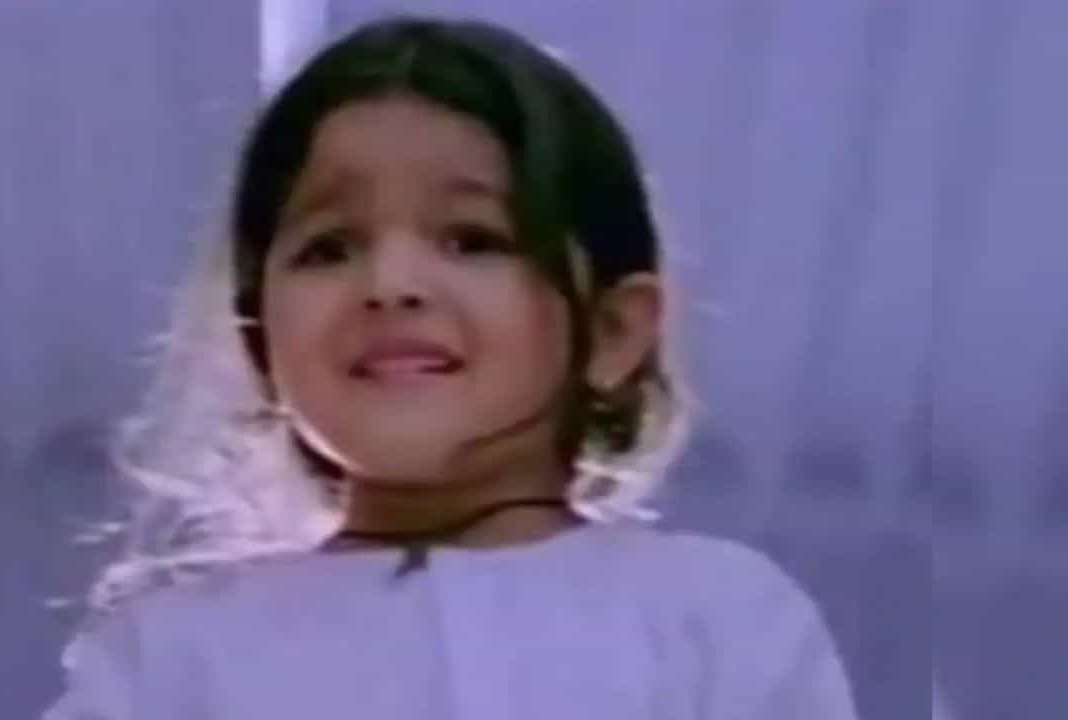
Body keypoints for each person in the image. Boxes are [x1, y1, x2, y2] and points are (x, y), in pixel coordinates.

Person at [43, 15, 858, 720]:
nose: (390, 284)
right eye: (330, 248)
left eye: (472, 240)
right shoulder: (167, 660)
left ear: (611, 331)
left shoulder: (718, 618)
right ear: (262, 349)